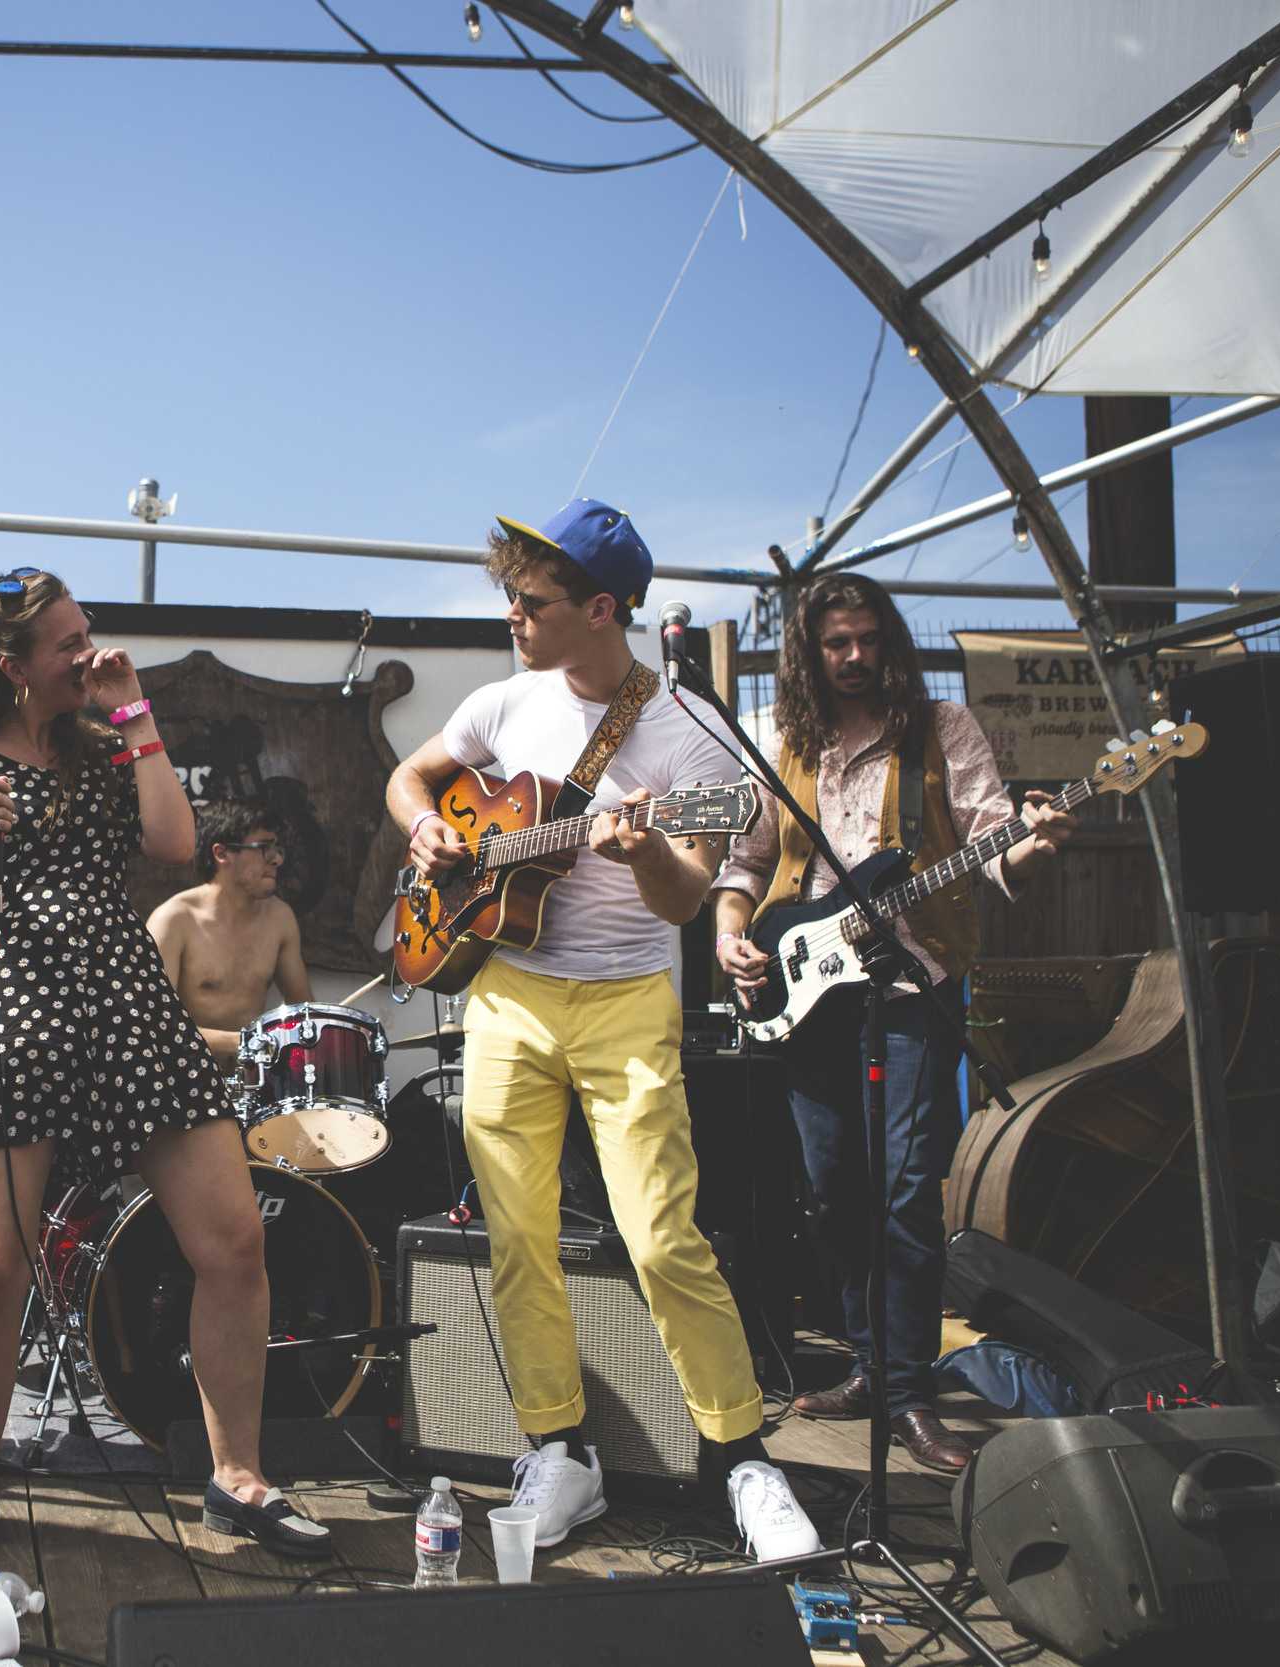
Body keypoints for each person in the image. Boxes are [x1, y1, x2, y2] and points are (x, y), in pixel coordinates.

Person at [384, 499, 818, 1561]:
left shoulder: (690, 735)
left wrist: (638, 852)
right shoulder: (499, 702)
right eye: (510, 598)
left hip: (626, 1000)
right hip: (506, 995)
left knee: (663, 1234)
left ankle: (740, 1457)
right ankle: (556, 1446)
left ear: (601, 607)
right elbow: (407, 778)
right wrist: (430, 824)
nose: (512, 620)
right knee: (516, 1237)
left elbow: (682, 903)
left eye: (530, 604)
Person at [0, 567, 331, 1560]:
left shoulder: (105, 747)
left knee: (232, 1243)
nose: (86, 650)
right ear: (12, 665)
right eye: (66, 642)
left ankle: (239, 1476)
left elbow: (176, 841)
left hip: (129, 1003)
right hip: (13, 1014)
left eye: (86, 631)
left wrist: (134, 709)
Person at [709, 573, 1074, 1475]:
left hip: (909, 991)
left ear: (889, 640)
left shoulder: (943, 731)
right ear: (811, 652)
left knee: (907, 1193)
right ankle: (870, 1365)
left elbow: (997, 847)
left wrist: (1030, 844)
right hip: (803, 996)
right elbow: (746, 862)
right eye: (837, 643)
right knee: (834, 1191)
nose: (856, 656)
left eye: (869, 638)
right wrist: (727, 935)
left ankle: (910, 1392)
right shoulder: (784, 742)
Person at [148, 799, 311, 1063]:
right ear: (222, 854)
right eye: (263, 848)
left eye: (277, 848)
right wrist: (249, 1042)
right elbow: (154, 1024)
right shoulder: (173, 920)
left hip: (255, 1083)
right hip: (188, 1080)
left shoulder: (280, 917)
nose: (277, 859)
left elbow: (304, 1011)